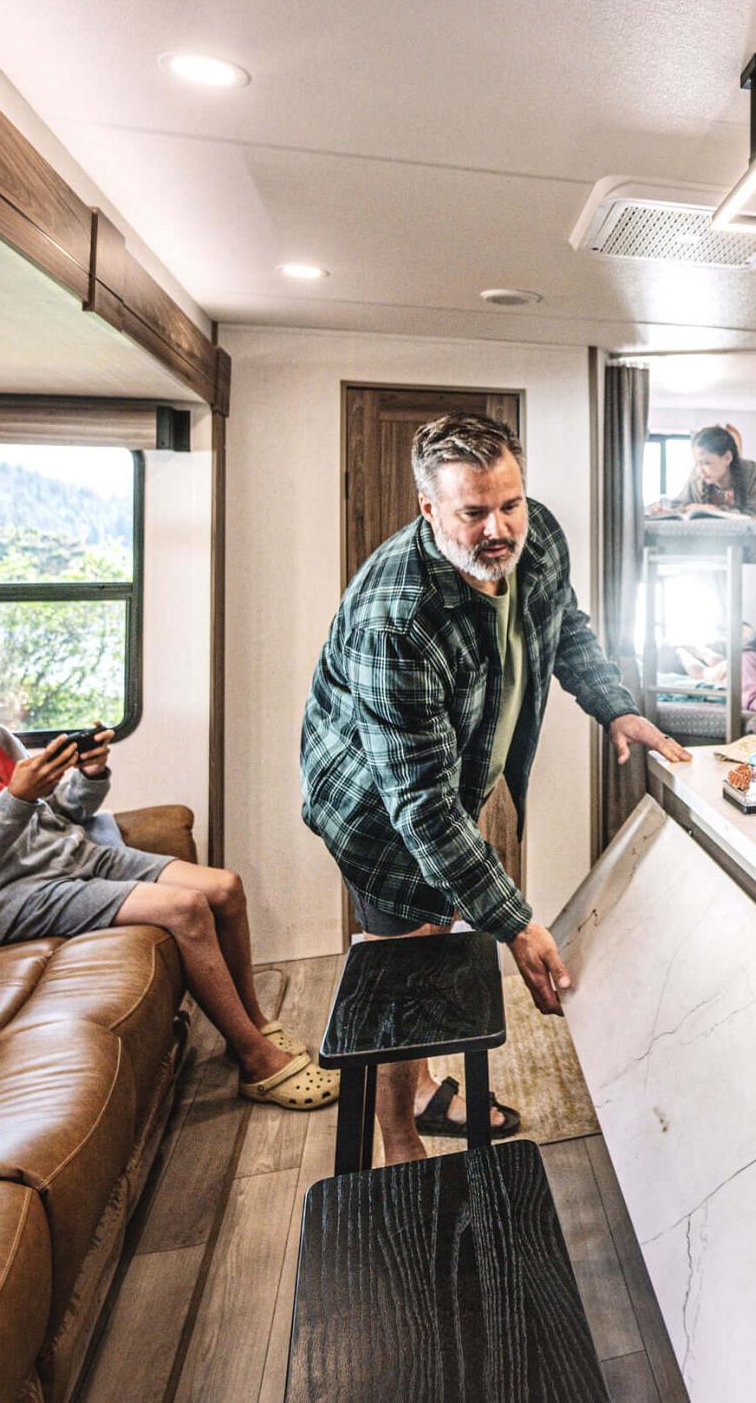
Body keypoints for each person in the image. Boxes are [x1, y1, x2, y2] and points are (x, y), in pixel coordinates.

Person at [302, 412, 690, 1162]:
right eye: (473, 512)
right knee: (407, 960)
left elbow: (563, 622)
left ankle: (419, 1088)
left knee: (441, 924)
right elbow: (419, 805)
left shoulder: (534, 536)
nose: (498, 529)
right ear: (429, 509)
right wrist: (515, 923)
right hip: (373, 807)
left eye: (509, 504)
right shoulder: (396, 617)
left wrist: (614, 705)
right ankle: (401, 1142)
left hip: (445, 779)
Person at [0, 630, 334, 1111]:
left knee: (225, 887)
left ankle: (254, 1021)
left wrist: (89, 776)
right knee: (186, 909)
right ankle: (255, 1059)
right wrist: (17, 799)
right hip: (2, 896)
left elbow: (59, 813)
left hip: (69, 858)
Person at [648, 424, 756, 516]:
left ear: (727, 458)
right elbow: (680, 505)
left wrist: (715, 511)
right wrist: (666, 511)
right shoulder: (696, 477)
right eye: (697, 463)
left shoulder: (754, 474)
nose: (700, 470)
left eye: (707, 463)